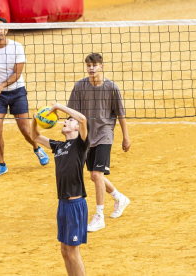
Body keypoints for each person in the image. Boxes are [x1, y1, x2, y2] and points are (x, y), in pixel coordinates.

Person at [0, 16, 49, 178]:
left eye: (1, 28)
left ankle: (37, 148)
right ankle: (1, 164)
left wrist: (1, 85)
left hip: (17, 92)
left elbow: (17, 74)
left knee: (25, 130)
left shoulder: (17, 47)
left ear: (6, 30)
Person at [67, 53, 131, 232]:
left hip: (105, 134)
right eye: (88, 65)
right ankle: (119, 197)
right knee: (96, 176)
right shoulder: (80, 86)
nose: (91, 68)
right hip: (86, 135)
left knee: (96, 174)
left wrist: (126, 136)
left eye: (94, 65)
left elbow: (120, 114)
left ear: (101, 66)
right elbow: (72, 112)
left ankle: (99, 216)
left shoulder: (112, 87)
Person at [31, 103, 89, 276]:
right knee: (65, 251)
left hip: (75, 205)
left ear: (77, 128)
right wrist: (35, 119)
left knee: (73, 252)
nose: (64, 121)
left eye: (69, 121)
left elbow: (83, 119)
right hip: (63, 204)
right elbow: (34, 136)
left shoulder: (81, 145)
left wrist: (59, 107)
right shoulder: (58, 146)